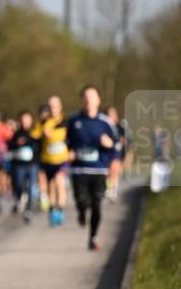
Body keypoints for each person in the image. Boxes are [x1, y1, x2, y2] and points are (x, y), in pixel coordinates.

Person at [67, 87, 119, 251]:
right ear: (82, 100)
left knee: (97, 205)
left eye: (92, 97)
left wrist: (109, 144)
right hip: (79, 170)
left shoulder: (106, 123)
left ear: (98, 100)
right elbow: (65, 141)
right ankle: (82, 212)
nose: (88, 100)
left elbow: (117, 145)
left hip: (99, 170)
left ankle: (93, 237)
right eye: (85, 97)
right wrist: (69, 151)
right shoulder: (73, 121)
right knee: (82, 201)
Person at [34, 96, 70, 227]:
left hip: (62, 159)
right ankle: (53, 209)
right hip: (47, 160)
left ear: (60, 107)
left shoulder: (66, 121)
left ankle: (60, 209)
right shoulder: (43, 122)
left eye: (54, 106)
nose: (52, 109)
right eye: (50, 106)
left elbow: (71, 137)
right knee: (51, 186)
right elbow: (34, 135)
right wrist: (42, 133)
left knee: (59, 181)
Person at [9, 110, 40, 222]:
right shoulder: (16, 134)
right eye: (23, 120)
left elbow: (39, 145)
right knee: (18, 185)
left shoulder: (35, 132)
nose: (25, 122)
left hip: (32, 164)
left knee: (32, 187)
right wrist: (16, 143)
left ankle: (29, 210)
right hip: (19, 165)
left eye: (27, 119)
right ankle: (20, 199)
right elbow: (10, 147)